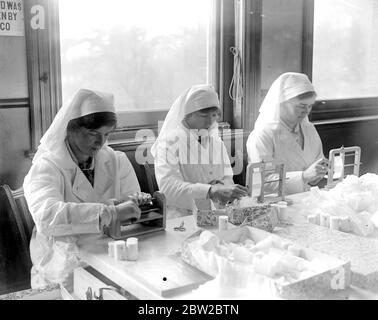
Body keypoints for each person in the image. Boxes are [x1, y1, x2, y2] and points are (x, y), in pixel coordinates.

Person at [23, 89, 149, 289]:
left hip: (112, 256)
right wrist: (110, 212)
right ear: (70, 129)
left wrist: (136, 203)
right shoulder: (47, 167)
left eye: (106, 134)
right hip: (63, 265)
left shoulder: (116, 160)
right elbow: (47, 216)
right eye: (93, 134)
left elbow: (131, 210)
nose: (101, 142)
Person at [151, 84, 248, 217]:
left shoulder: (216, 141)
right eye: (204, 116)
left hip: (217, 212)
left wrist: (223, 185)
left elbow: (227, 176)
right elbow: (168, 188)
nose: (210, 121)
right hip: (183, 217)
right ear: (187, 115)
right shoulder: (169, 143)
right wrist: (210, 190)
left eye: (214, 115)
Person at [246, 72, 329, 195]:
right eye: (301, 106)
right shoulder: (262, 134)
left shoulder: (309, 129)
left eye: (310, 106)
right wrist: (304, 176)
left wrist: (320, 172)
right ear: (282, 103)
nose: (306, 111)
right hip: (273, 204)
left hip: (304, 198)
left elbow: (315, 171)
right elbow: (262, 182)